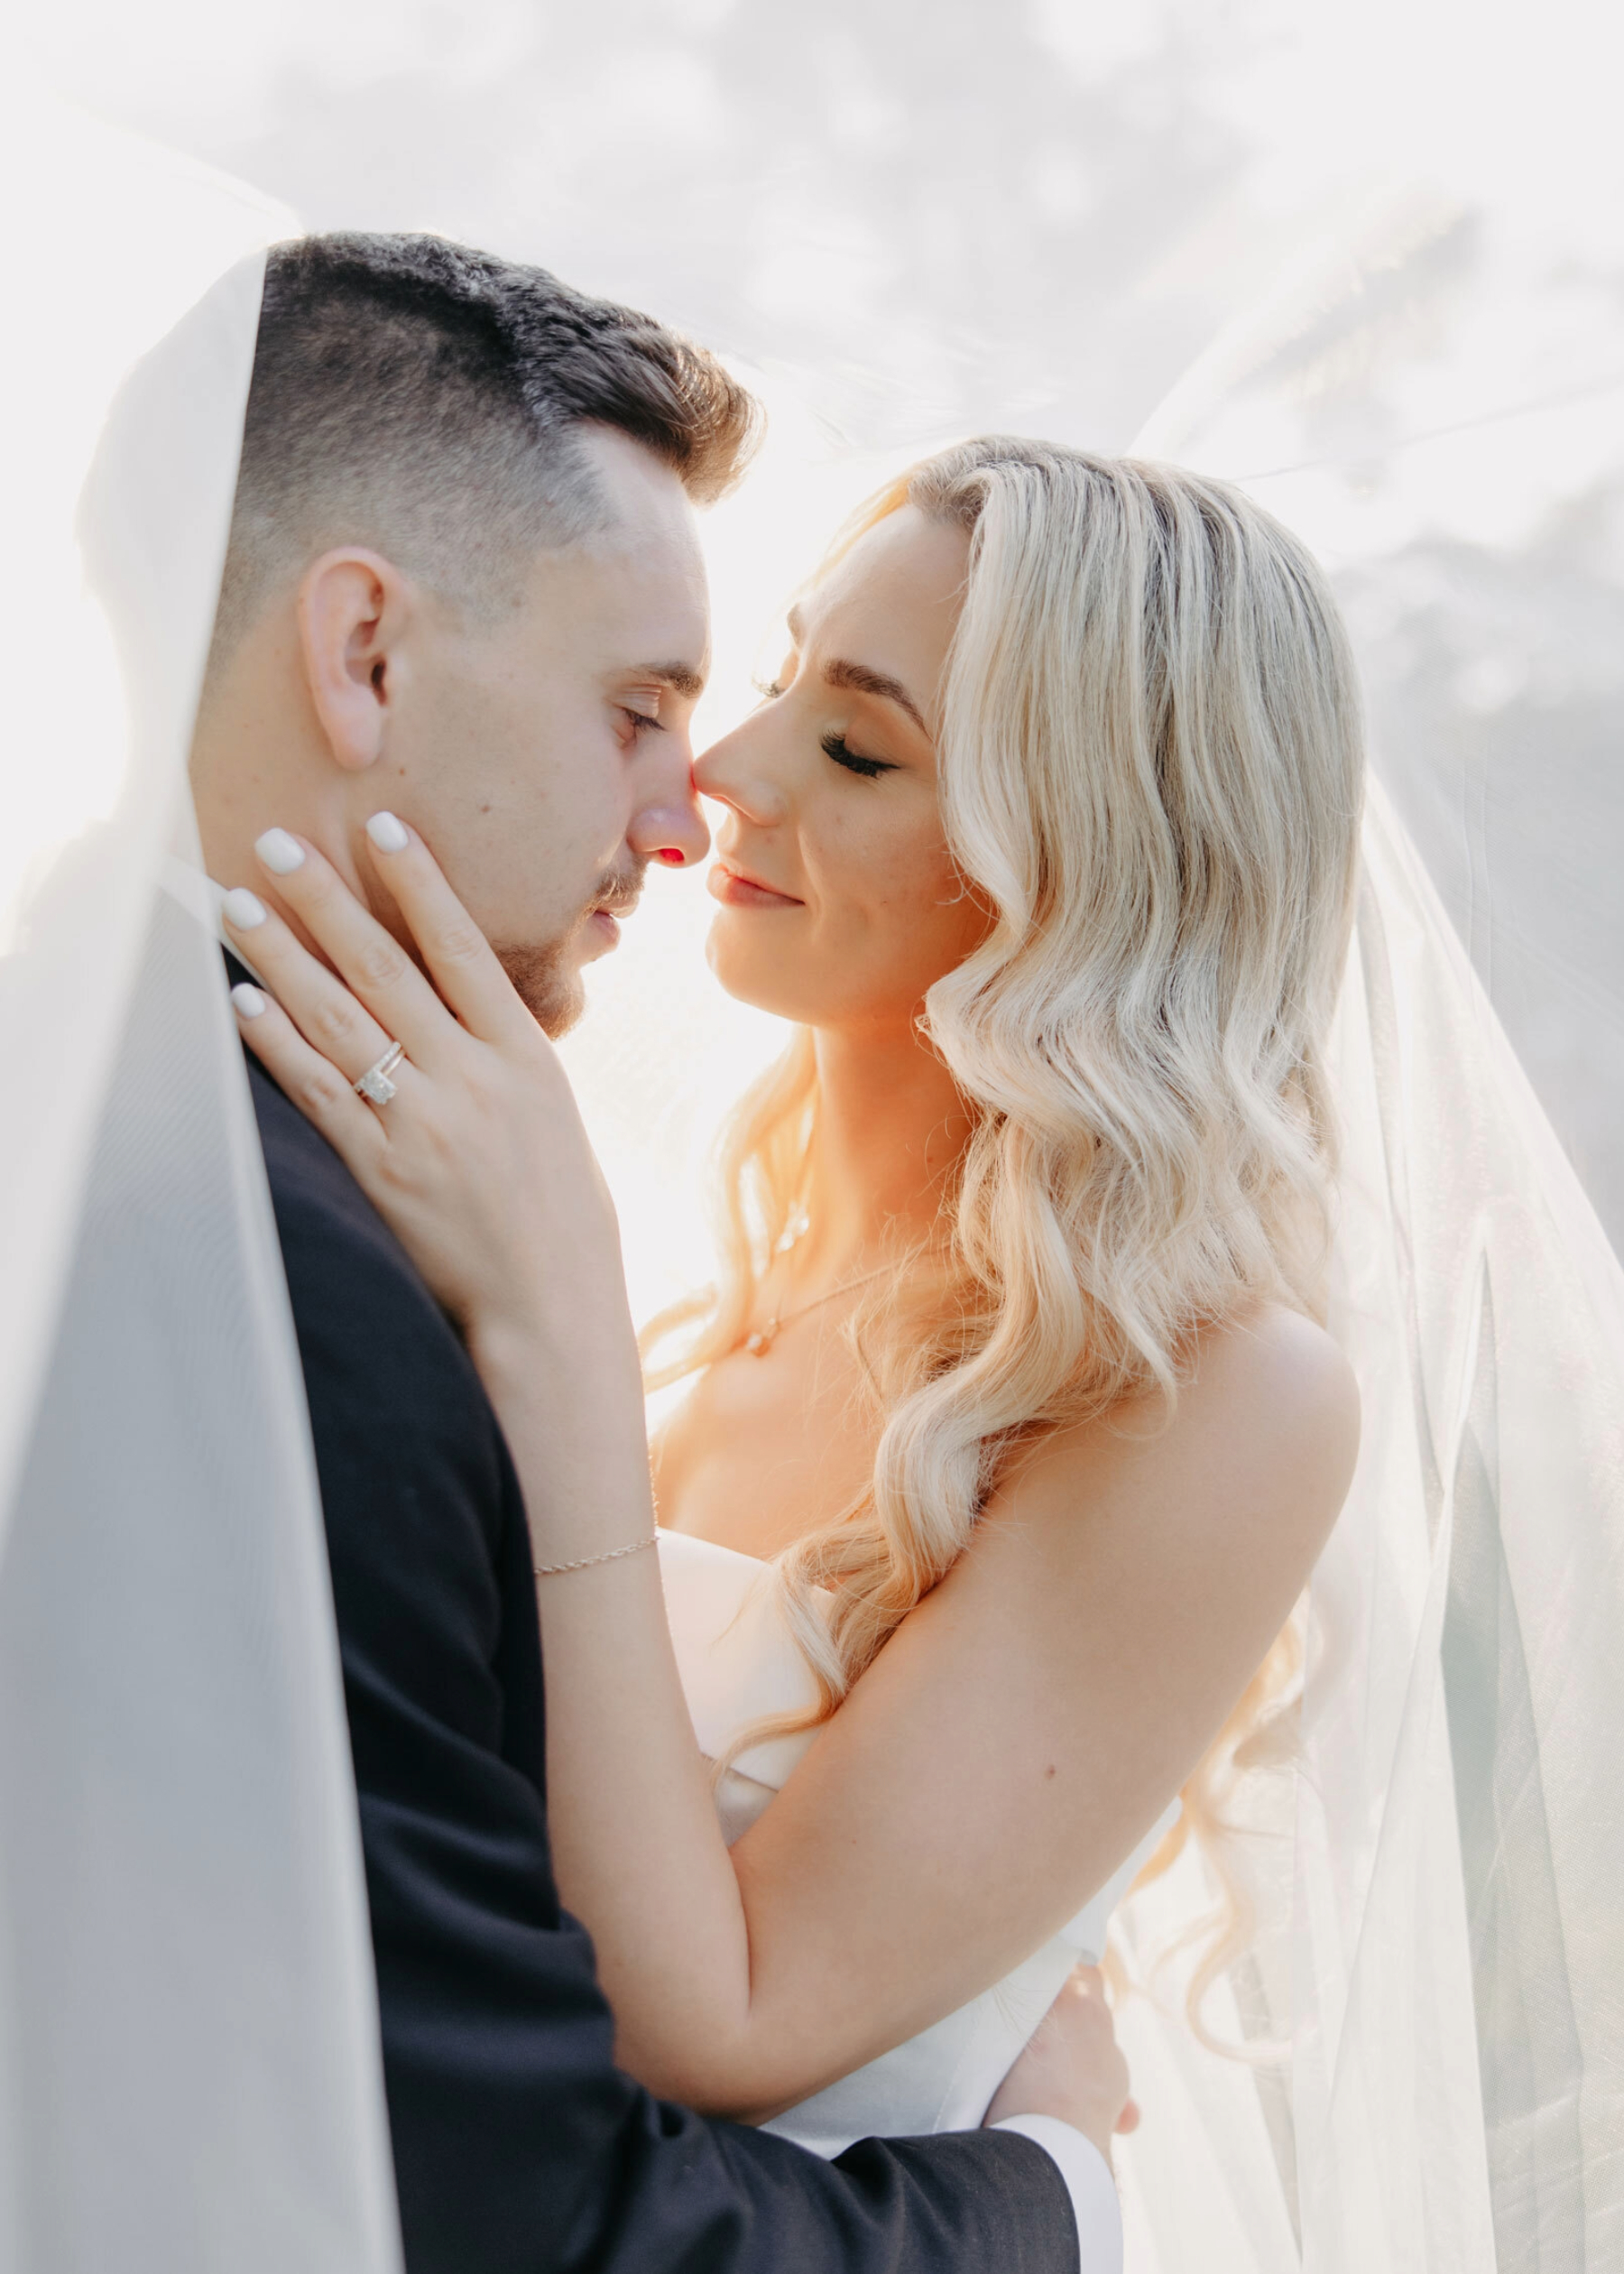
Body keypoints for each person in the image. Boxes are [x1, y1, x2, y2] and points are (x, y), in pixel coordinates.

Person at [211, 225, 1363, 2242]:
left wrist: (555, 1323)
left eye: (856, 746)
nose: (718, 778)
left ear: (1073, 873)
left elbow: (714, 2025)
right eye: (761, 690)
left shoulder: (1204, 1394)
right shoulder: (713, 1281)